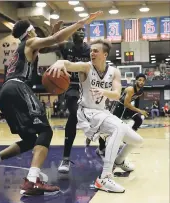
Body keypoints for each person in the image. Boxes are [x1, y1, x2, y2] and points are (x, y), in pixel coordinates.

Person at [0, 11, 103, 196]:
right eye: (35, 31)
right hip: (18, 87)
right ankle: (32, 181)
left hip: (5, 92)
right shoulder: (30, 42)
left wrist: (52, 34)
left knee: (31, 140)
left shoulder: (25, 48)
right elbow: (55, 39)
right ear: (30, 32)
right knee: (46, 131)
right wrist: (79, 23)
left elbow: (50, 44)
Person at [47, 39, 144, 193]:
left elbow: (117, 94)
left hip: (102, 112)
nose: (91, 53)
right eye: (91, 50)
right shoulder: (86, 67)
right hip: (87, 112)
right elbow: (70, 65)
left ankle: (119, 160)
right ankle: (104, 178)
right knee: (118, 128)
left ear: (105, 54)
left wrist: (104, 92)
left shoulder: (114, 72)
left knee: (138, 140)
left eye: (95, 51)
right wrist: (61, 62)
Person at [40, 23, 91, 173]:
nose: (80, 32)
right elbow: (43, 49)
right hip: (70, 87)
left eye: (83, 30)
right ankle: (66, 158)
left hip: (87, 88)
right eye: (77, 30)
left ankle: (101, 146)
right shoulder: (65, 45)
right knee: (75, 114)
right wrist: (53, 34)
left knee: (97, 117)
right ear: (72, 32)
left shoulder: (90, 50)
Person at [95, 73, 148, 156]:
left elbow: (135, 102)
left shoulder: (141, 91)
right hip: (119, 107)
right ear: (136, 80)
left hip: (127, 108)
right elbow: (126, 104)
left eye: (143, 81)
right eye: (140, 80)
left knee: (138, 119)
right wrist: (139, 110)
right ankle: (101, 148)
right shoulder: (130, 89)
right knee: (109, 128)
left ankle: (127, 138)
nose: (141, 82)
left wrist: (138, 111)